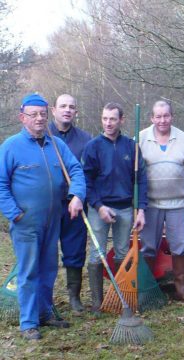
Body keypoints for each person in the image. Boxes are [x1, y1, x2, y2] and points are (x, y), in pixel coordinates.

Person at [0, 93, 85, 340]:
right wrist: (14, 214)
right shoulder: (11, 147)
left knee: (49, 268)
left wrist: (77, 195)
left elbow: (76, 170)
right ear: (22, 117)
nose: (39, 119)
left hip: (54, 220)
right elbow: (1, 184)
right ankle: (28, 323)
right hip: (26, 222)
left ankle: (44, 314)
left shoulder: (57, 146)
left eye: (42, 114)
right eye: (33, 114)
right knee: (29, 271)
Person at [82, 102, 147, 313]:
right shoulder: (93, 147)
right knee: (97, 253)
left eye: (112, 119)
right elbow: (87, 182)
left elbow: (141, 180)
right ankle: (97, 302)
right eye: (105, 119)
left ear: (121, 120)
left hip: (126, 209)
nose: (108, 123)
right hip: (99, 208)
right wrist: (99, 206)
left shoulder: (131, 147)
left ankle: (121, 297)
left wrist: (141, 209)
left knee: (122, 252)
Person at [139, 100, 184, 301]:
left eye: (166, 116)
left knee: (180, 245)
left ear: (172, 117)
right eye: (158, 116)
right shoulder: (141, 138)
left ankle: (181, 289)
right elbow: (132, 172)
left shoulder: (182, 139)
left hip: (178, 204)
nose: (162, 120)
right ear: (151, 118)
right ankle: (148, 289)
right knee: (148, 245)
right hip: (150, 204)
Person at [48, 94, 92, 314]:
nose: (67, 110)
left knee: (74, 251)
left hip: (75, 205)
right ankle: (45, 300)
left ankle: (74, 297)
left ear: (76, 112)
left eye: (71, 107)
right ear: (53, 109)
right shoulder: (41, 135)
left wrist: (82, 198)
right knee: (46, 252)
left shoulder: (86, 140)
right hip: (47, 206)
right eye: (63, 106)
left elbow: (90, 174)